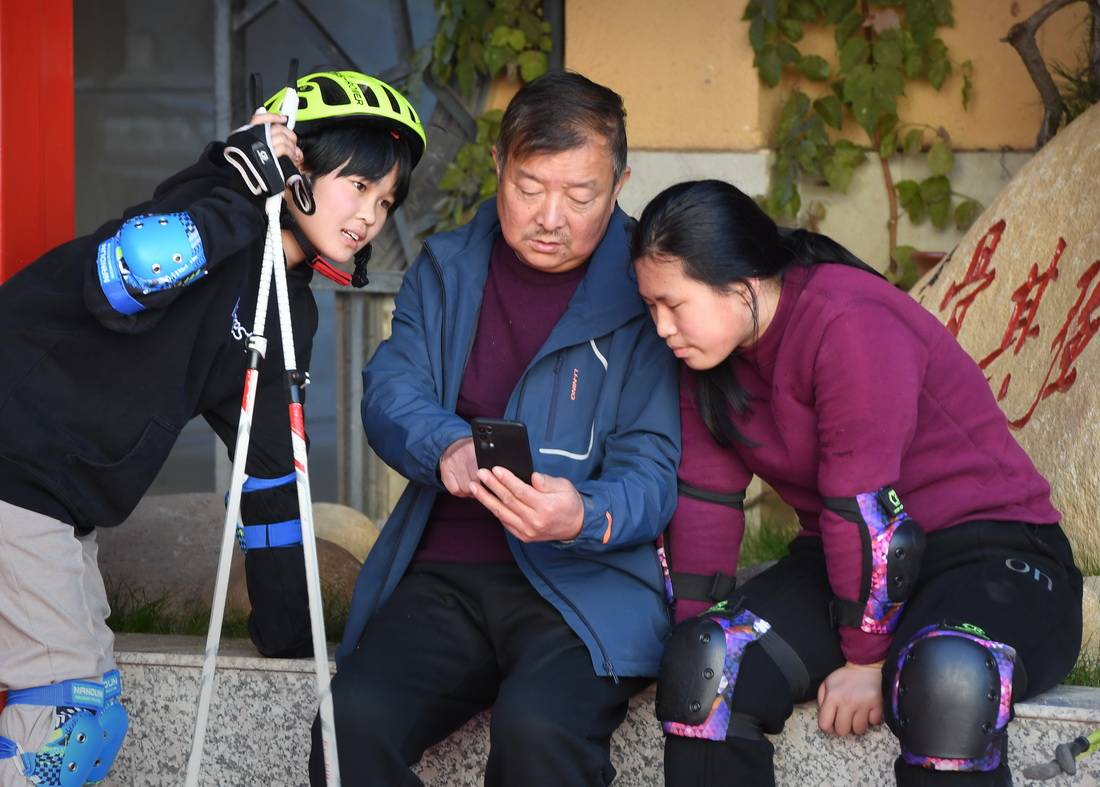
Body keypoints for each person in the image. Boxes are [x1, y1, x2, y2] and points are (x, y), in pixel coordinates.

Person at [0, 70, 425, 787]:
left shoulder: (288, 304)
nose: (370, 216)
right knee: (64, 726)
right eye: (358, 186)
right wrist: (240, 182)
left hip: (58, 501)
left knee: (91, 716)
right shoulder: (210, 204)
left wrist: (288, 632)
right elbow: (127, 274)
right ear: (295, 166)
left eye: (385, 201)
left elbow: (272, 472)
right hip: (17, 466)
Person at [631, 179, 1084, 786]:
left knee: (947, 679)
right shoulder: (705, 356)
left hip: (992, 551)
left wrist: (865, 658)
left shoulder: (848, 320)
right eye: (650, 308)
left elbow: (864, 506)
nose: (661, 327)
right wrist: (689, 631)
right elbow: (704, 506)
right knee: (708, 665)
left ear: (740, 285)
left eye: (673, 304)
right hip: (849, 560)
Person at [312, 71, 680, 787]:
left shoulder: (648, 286)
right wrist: (444, 441)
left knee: (539, 731)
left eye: (581, 195)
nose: (551, 216)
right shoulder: (448, 265)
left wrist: (584, 512)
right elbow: (392, 387)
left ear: (620, 183)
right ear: (498, 168)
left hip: (586, 583)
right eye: (529, 186)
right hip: (449, 573)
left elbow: (652, 468)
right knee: (350, 724)